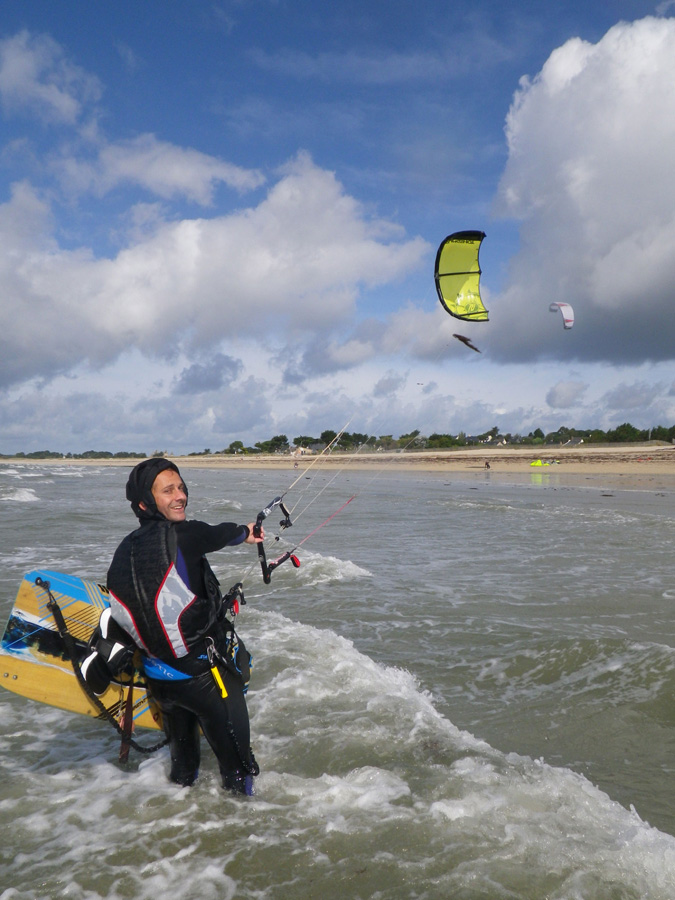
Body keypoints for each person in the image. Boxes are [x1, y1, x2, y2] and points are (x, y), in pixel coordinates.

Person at [103, 457, 264, 795]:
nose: (180, 496)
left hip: (163, 686)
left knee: (183, 775)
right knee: (239, 776)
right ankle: (245, 832)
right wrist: (247, 532)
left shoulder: (123, 551)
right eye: (168, 491)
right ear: (146, 502)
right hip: (207, 682)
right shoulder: (185, 536)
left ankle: (176, 827)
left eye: (180, 487)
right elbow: (223, 533)